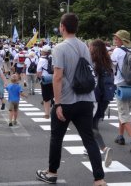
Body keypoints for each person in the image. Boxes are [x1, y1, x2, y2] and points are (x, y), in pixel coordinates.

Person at [36, 13, 106, 186]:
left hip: (67, 100)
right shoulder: (85, 46)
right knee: (88, 139)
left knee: (57, 138)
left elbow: (58, 77)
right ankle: (99, 178)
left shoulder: (60, 48)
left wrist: (57, 103)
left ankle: (52, 172)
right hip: (86, 100)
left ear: (62, 27)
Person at [110, 30, 131, 153]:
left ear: (122, 40)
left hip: (121, 84)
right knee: (124, 111)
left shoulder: (117, 51)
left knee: (124, 113)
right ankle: (120, 136)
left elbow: (111, 66)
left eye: (117, 38)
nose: (115, 40)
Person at [89, 39, 113, 168]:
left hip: (94, 98)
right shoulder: (107, 62)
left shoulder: (94, 63)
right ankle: (90, 147)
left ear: (94, 49)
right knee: (94, 124)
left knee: (91, 127)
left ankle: (104, 148)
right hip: (105, 98)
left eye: (90, 47)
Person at [37, 45, 54, 119]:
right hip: (54, 79)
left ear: (43, 52)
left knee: (46, 98)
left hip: (45, 79)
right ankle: (55, 112)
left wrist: (40, 79)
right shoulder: (54, 58)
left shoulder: (41, 60)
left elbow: (39, 72)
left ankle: (47, 114)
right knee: (55, 96)